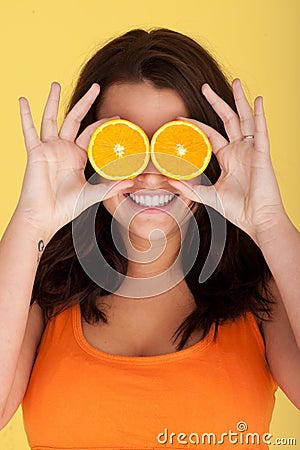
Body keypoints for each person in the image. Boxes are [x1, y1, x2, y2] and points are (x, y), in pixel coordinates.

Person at [0, 27, 299, 449]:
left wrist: (269, 222)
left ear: (213, 157)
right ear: (86, 157)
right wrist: (30, 222)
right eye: (125, 144)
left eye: (177, 145)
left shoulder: (264, 292)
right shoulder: (35, 290)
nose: (151, 172)